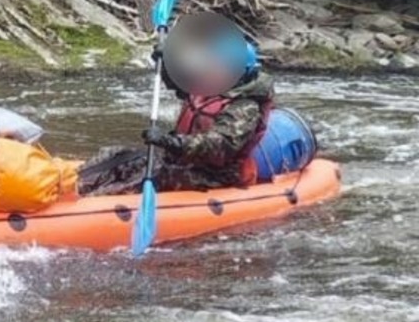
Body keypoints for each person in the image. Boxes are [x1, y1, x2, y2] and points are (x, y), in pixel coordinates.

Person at [78, 12, 274, 196]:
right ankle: (73, 185)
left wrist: (170, 142)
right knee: (118, 156)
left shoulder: (246, 107)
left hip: (215, 176)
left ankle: (87, 205)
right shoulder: (212, 84)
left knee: (142, 178)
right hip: (180, 160)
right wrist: (165, 61)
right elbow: (179, 83)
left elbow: (218, 146)